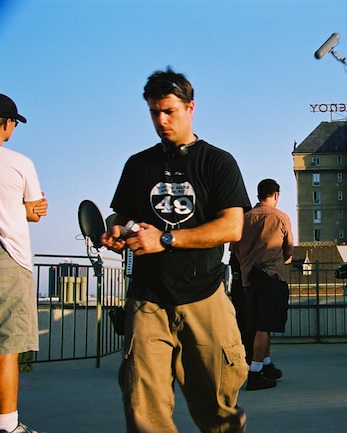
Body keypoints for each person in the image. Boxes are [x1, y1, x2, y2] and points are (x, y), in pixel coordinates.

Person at [100, 68, 251, 433]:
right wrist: (115, 228)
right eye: (154, 112)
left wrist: (165, 238)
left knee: (217, 406)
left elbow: (232, 226)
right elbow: (119, 213)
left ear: (190, 107)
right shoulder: (138, 165)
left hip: (204, 295)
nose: (161, 120)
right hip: (147, 299)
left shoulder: (218, 162)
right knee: (143, 408)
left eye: (169, 111)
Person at [0, 94, 48, 433]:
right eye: (13, 122)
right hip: (9, 259)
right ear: (5, 123)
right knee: (7, 348)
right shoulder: (19, 163)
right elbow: (36, 210)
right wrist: (27, 210)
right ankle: (7, 425)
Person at [231, 179, 294, 391]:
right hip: (271, 277)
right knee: (264, 326)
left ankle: (266, 365)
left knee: (256, 323)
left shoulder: (244, 219)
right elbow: (288, 251)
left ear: (258, 195)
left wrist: (248, 264)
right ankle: (256, 372)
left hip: (249, 279)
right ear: (276, 195)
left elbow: (236, 251)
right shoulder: (281, 217)